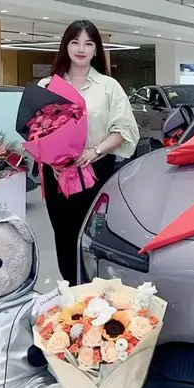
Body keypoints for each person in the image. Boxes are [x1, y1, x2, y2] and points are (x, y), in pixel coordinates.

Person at [37, 20, 139, 285]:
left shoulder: (108, 86)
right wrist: (51, 158)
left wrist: (95, 150)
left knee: (91, 237)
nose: (81, 49)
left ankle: (95, 292)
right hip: (57, 174)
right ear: (65, 46)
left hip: (95, 171)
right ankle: (71, 291)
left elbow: (124, 130)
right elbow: (35, 129)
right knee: (64, 235)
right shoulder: (48, 85)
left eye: (88, 43)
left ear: (96, 50)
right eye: (75, 42)